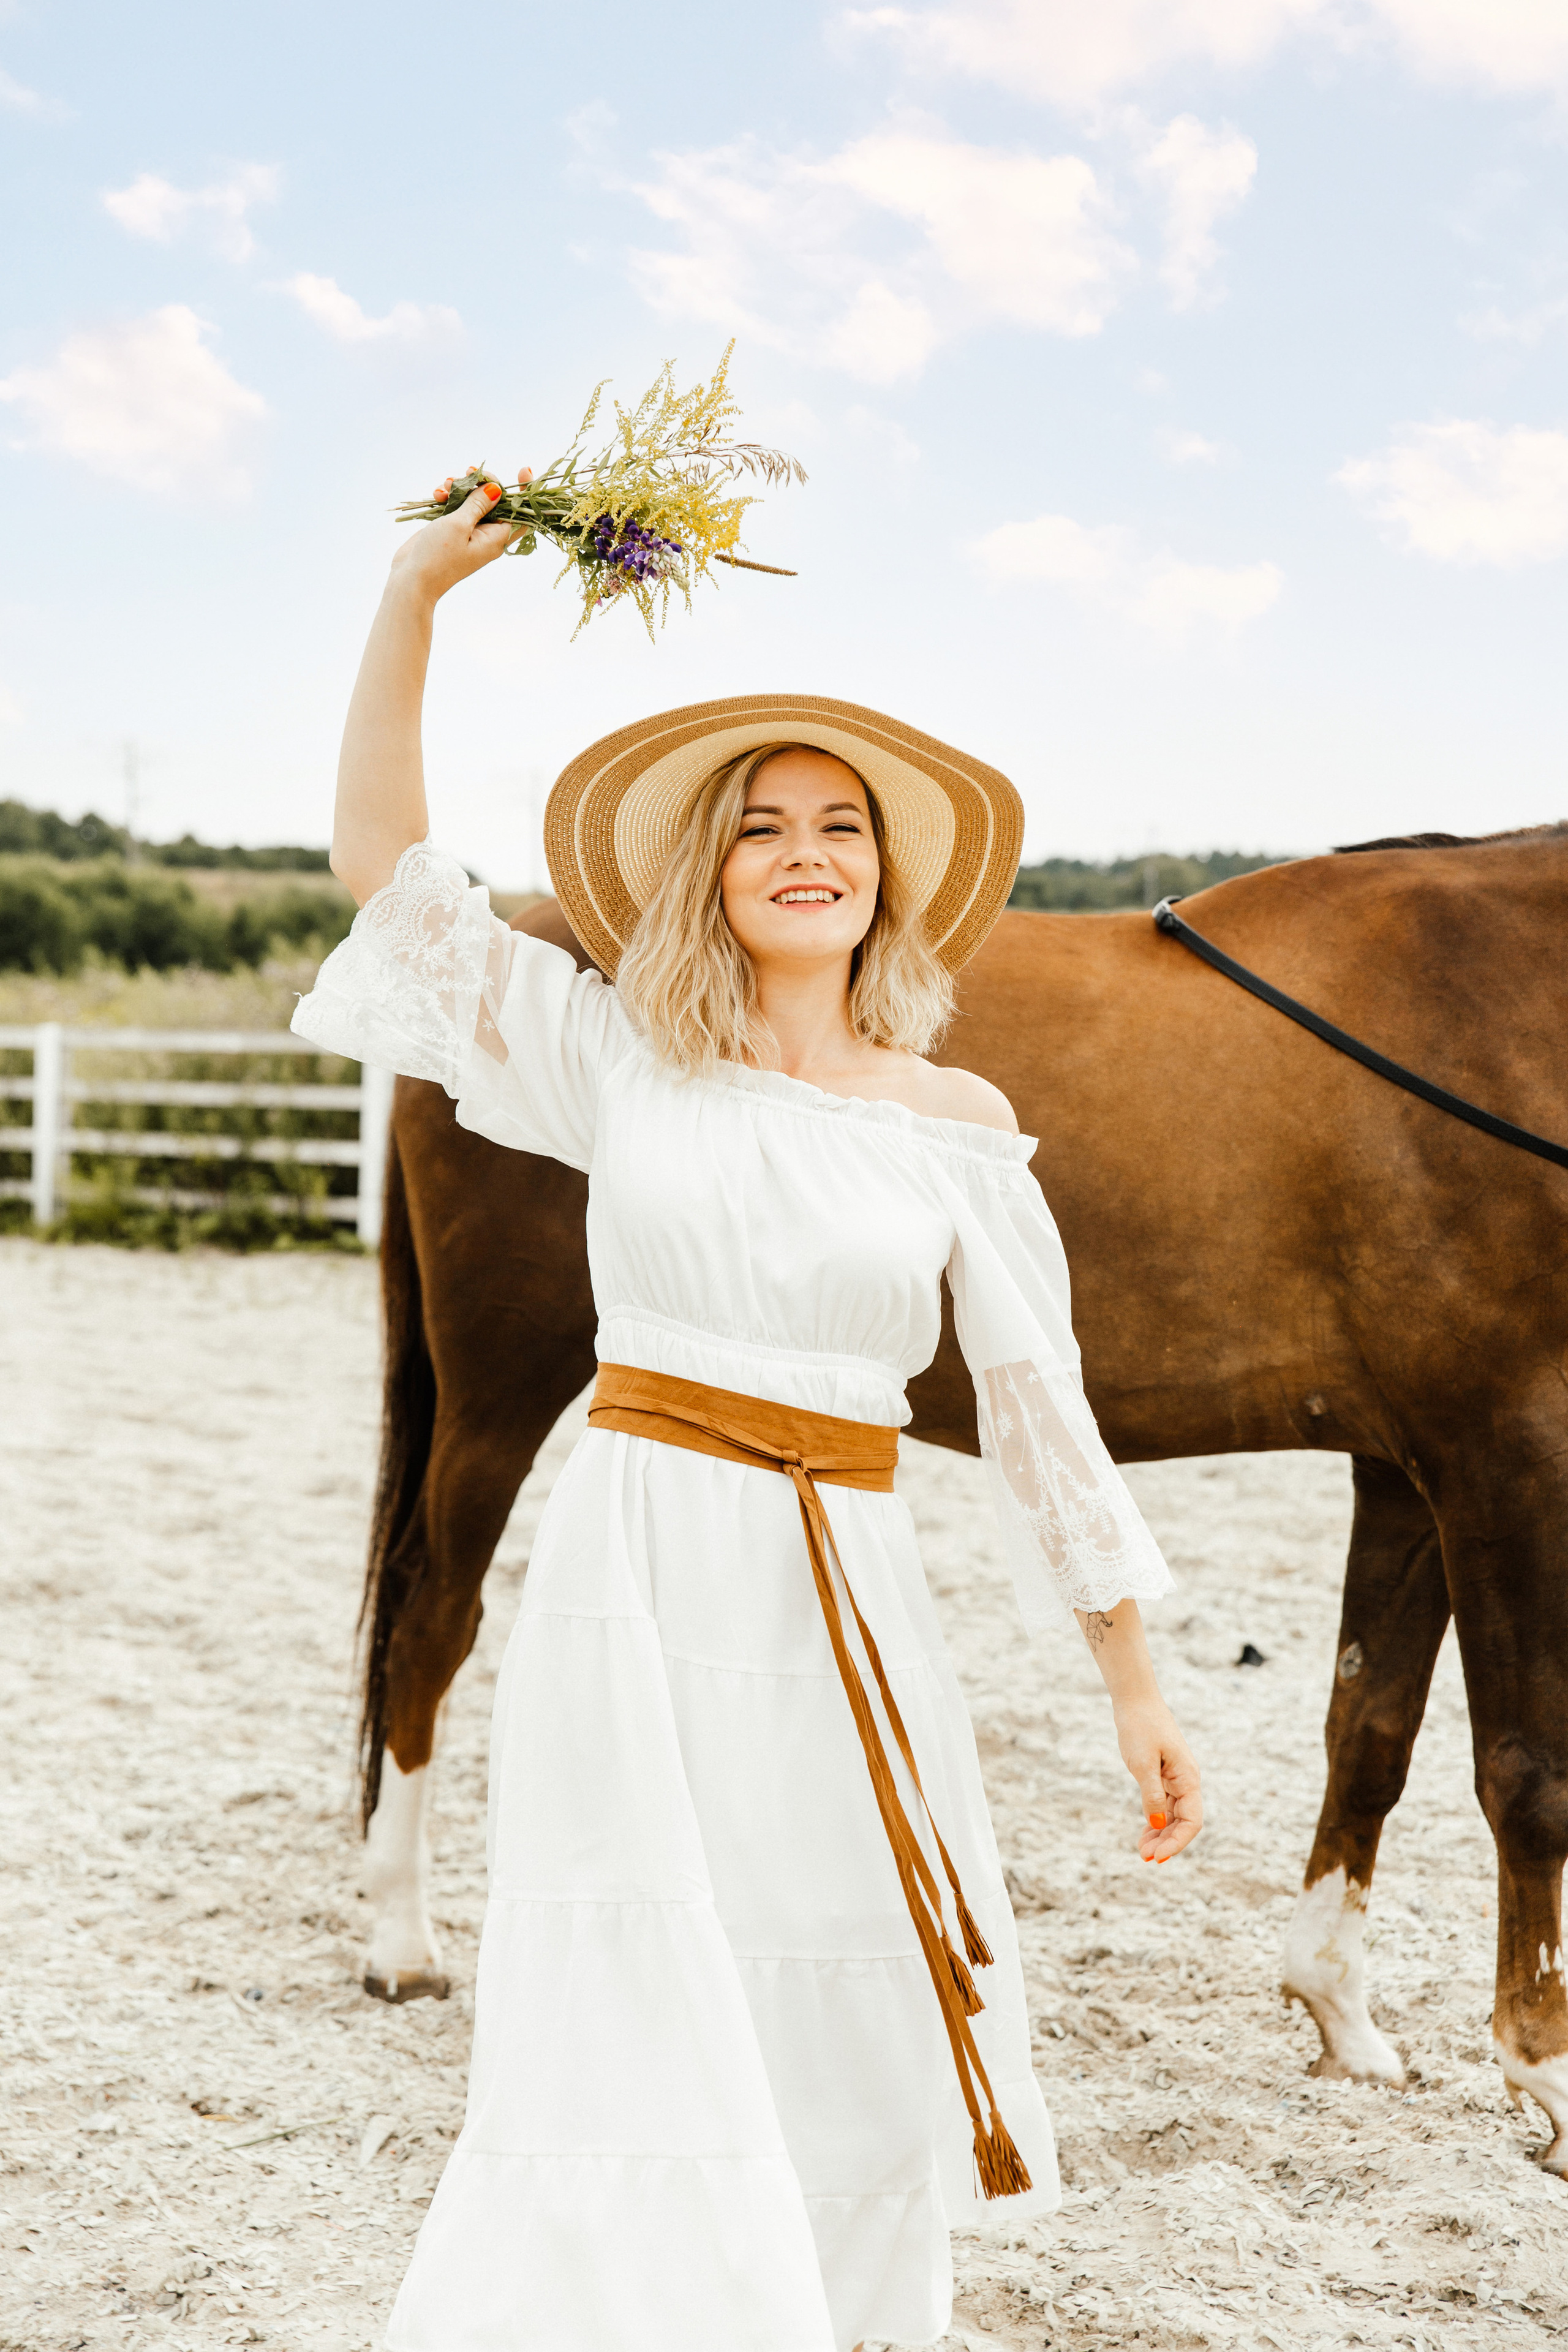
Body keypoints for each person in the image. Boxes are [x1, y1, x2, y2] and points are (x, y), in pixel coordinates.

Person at [293, 473, 1203, 2352]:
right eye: (766, 827)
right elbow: (387, 868)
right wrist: (415, 599)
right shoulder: (619, 1061)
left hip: (848, 1597)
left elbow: (1041, 1416)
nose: (808, 851)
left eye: (842, 827)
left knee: (843, 2003)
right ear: (711, 869)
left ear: (887, 873)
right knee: (628, 2000)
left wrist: (1134, 1678)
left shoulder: (951, 1128)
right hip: (636, 1581)